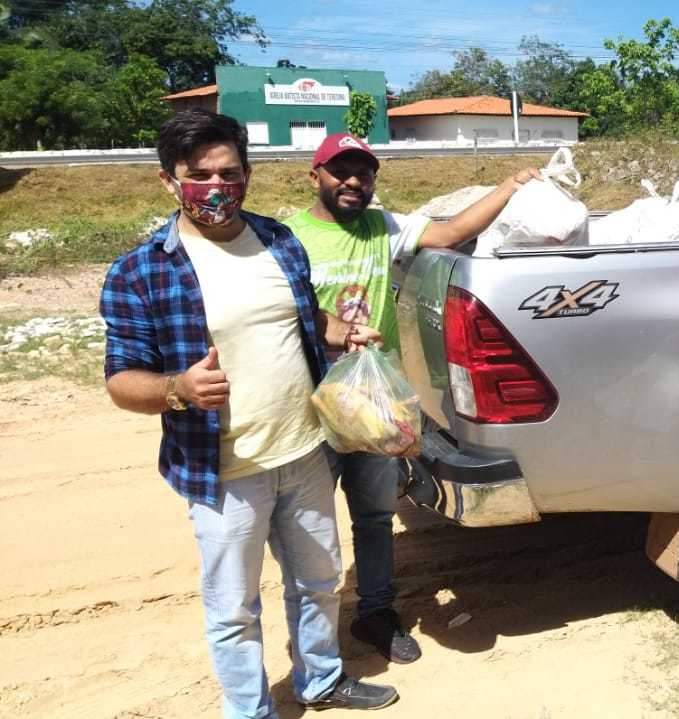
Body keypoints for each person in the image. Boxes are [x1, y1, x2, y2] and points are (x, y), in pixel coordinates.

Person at [101, 110, 398, 718]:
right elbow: (121, 381)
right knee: (234, 608)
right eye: (200, 175)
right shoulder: (141, 271)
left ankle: (321, 679)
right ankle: (251, 710)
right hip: (224, 473)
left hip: (306, 453)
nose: (217, 187)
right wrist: (178, 388)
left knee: (319, 580)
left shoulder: (279, 241)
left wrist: (346, 333)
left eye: (230, 173)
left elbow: (302, 319)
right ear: (169, 181)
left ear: (249, 174)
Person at [284, 132, 541, 664]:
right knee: (307, 524)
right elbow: (281, 312)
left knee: (375, 517)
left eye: (364, 172)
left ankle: (376, 615)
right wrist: (328, 329)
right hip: (312, 403)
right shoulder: (289, 239)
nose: (354, 182)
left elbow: (454, 230)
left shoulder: (385, 227)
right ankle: (313, 639)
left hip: (375, 404)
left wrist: (509, 186)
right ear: (316, 176)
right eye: (341, 171)